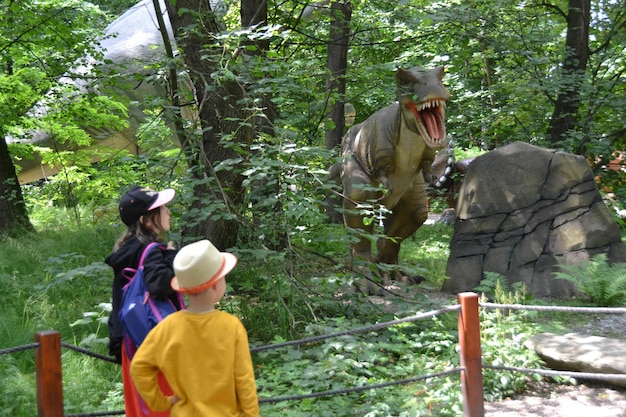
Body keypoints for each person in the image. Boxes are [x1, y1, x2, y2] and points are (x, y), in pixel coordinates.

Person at [130, 239, 260, 417]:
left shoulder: (167, 327)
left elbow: (138, 367)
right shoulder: (231, 326)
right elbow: (244, 380)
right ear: (215, 285)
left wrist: (160, 402)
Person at [105, 185, 183, 417]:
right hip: (157, 344)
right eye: (162, 208)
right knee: (167, 408)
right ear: (147, 220)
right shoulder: (151, 251)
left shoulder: (127, 250)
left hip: (131, 342)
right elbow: (159, 285)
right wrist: (170, 257)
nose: (168, 212)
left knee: (142, 410)